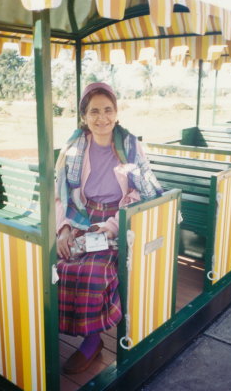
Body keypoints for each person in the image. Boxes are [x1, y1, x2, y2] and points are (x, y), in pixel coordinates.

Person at [55, 82, 163, 374]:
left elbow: (143, 192)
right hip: (81, 217)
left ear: (116, 113)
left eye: (107, 110)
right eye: (94, 112)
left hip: (120, 220)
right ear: (84, 116)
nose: (101, 118)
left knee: (95, 270)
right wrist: (64, 228)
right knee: (60, 264)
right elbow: (60, 193)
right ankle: (81, 335)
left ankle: (93, 342)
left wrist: (113, 226)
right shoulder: (74, 147)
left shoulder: (129, 145)